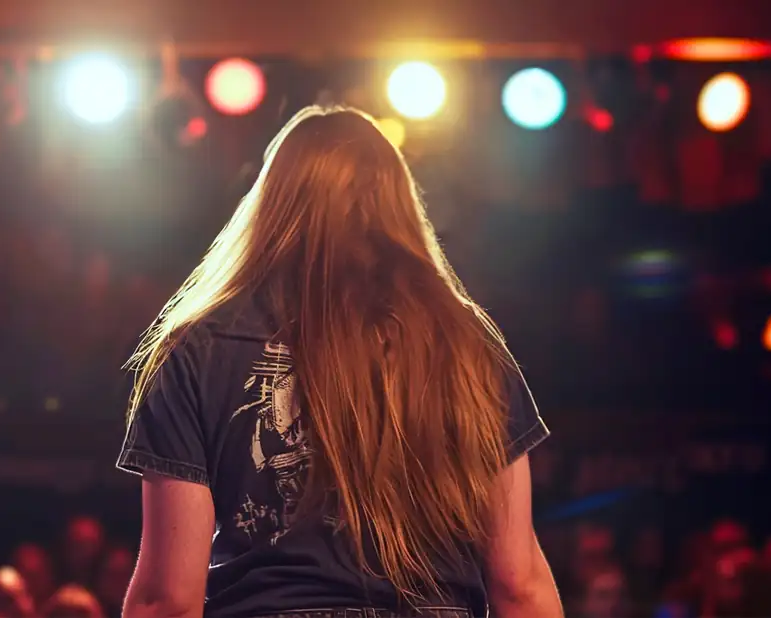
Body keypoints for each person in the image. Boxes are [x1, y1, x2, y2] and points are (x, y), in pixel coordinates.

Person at [117, 105, 561, 618]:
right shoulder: (465, 345)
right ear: (398, 203)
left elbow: (167, 600)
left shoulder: (198, 348)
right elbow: (519, 583)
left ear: (273, 202)